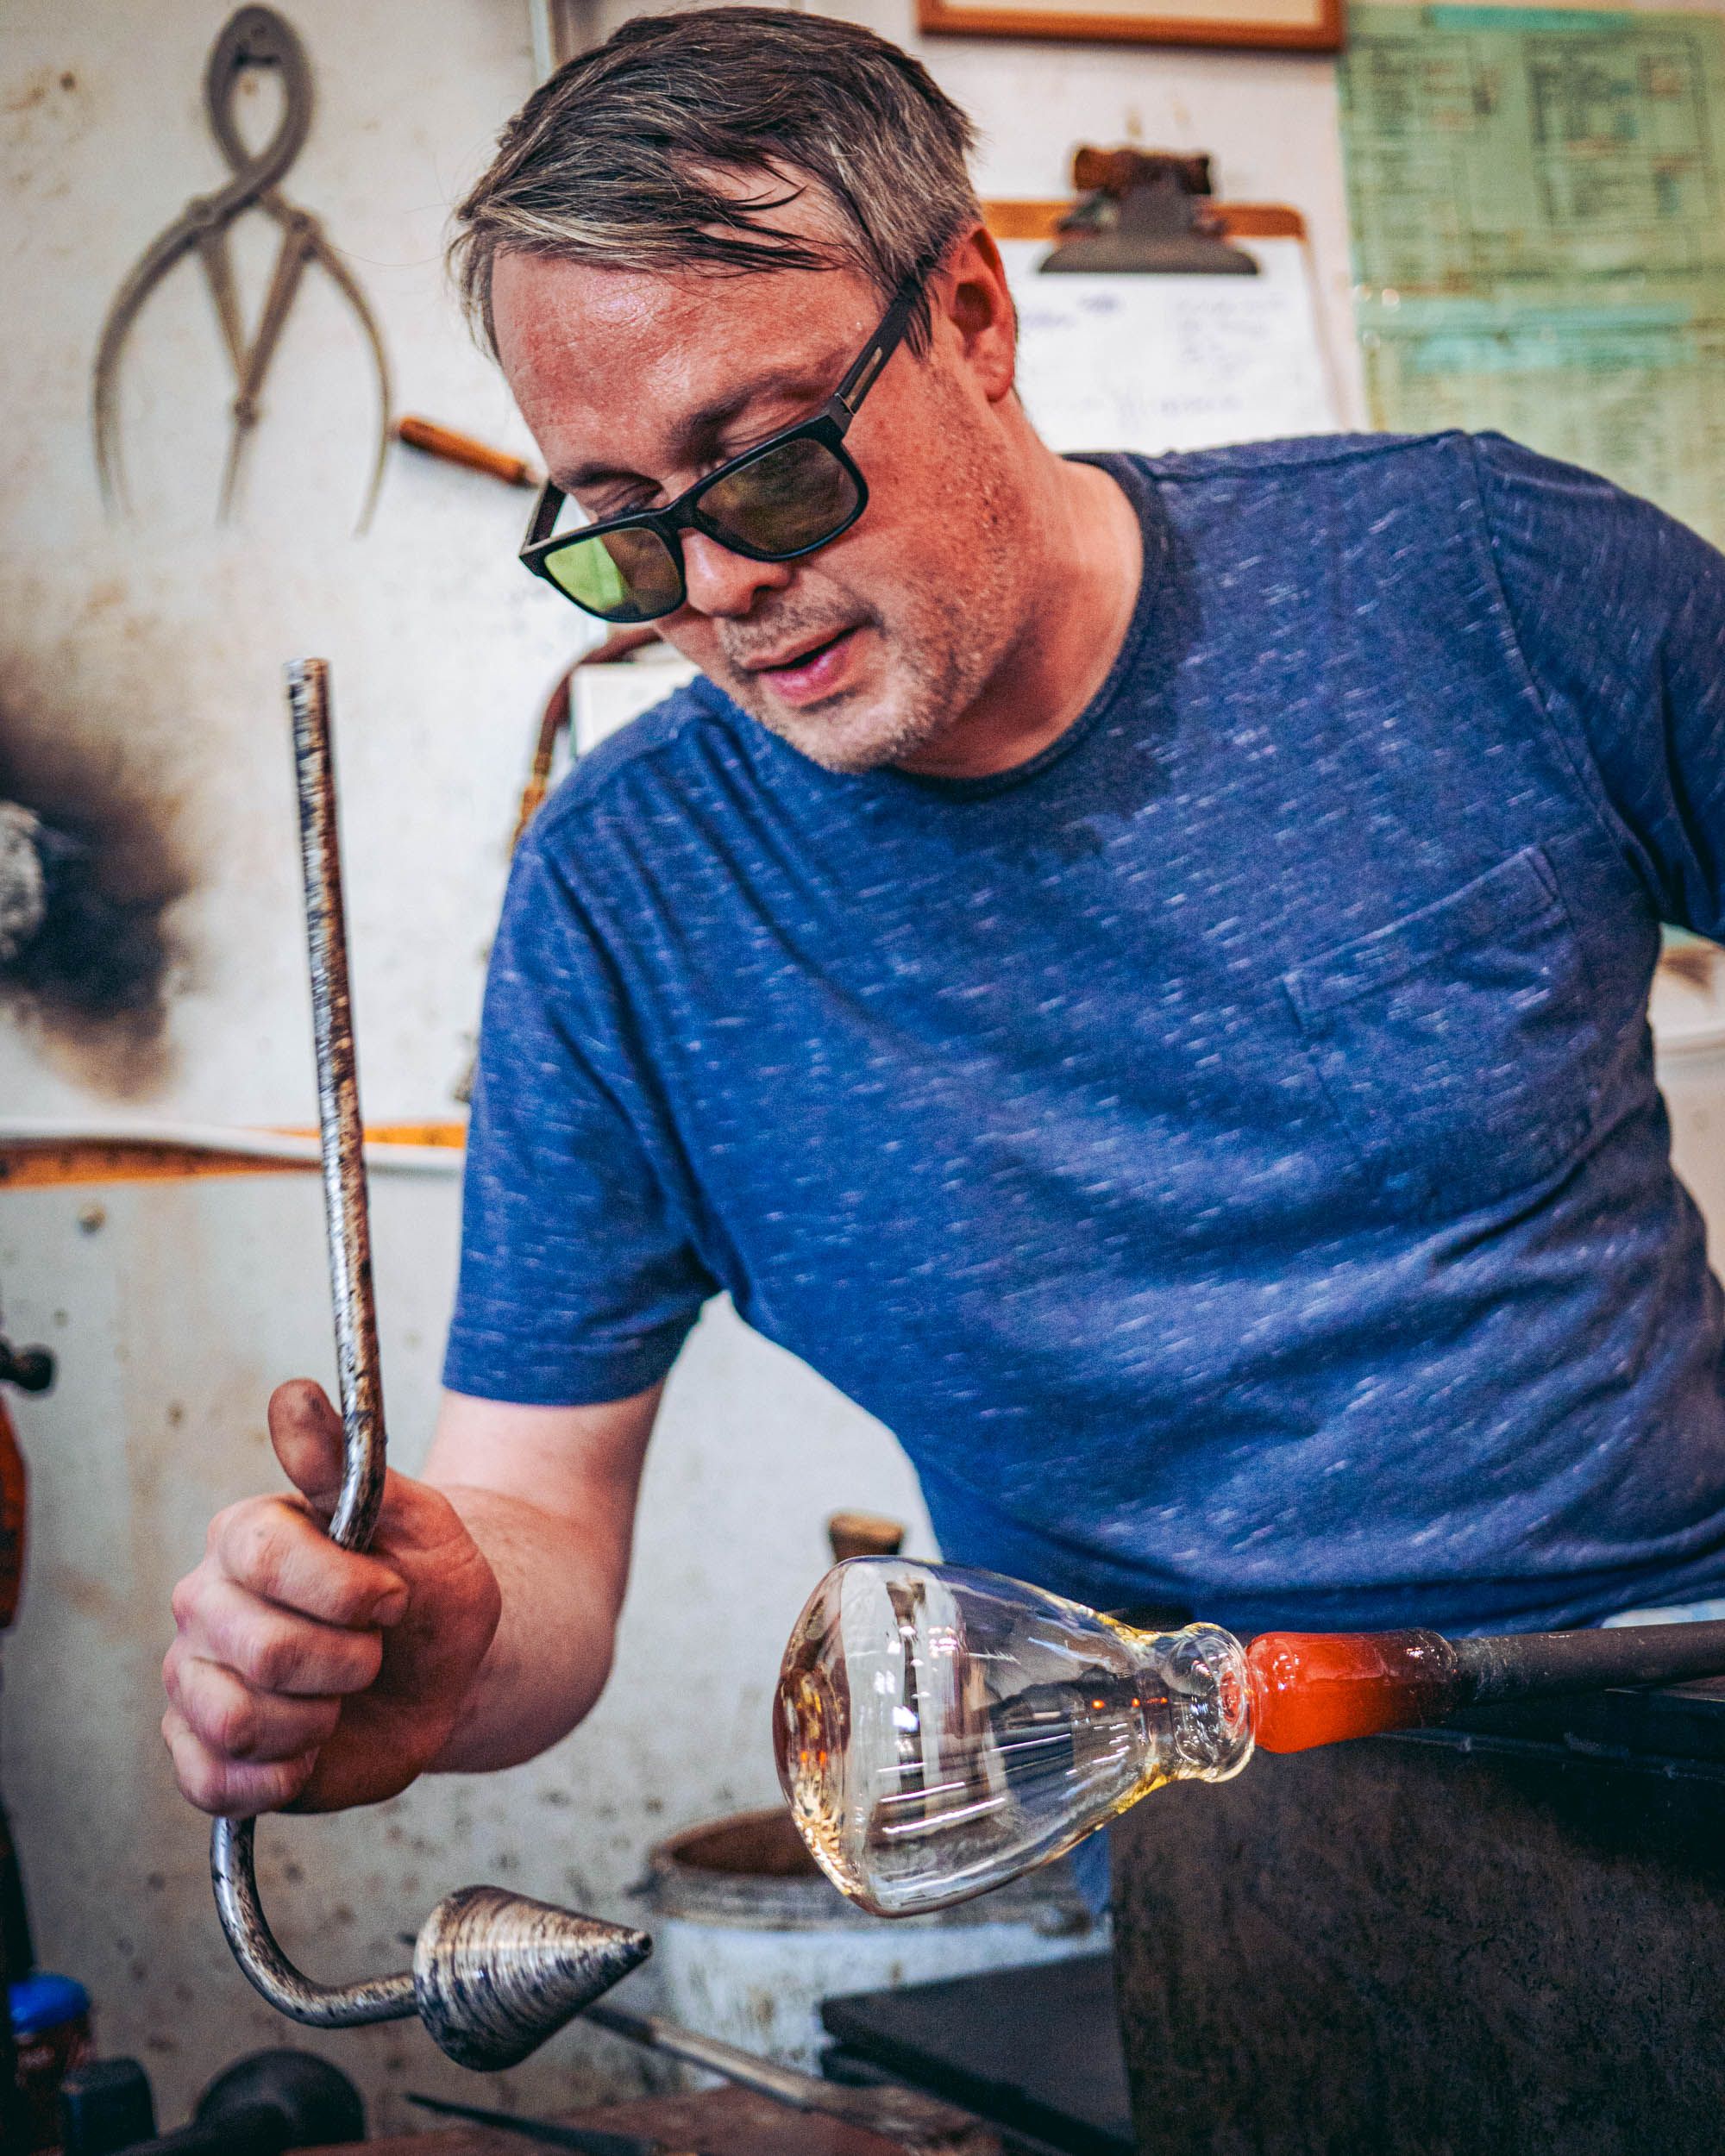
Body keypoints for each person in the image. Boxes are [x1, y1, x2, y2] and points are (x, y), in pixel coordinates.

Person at [163, 7, 1725, 1822]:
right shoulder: (629, 903)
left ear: (973, 316)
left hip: (1673, 1677)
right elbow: (539, 1526)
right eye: (622, 529)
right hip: (1188, 1826)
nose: (728, 585)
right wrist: (430, 1628)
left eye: (766, 461)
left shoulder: (1481, 585)